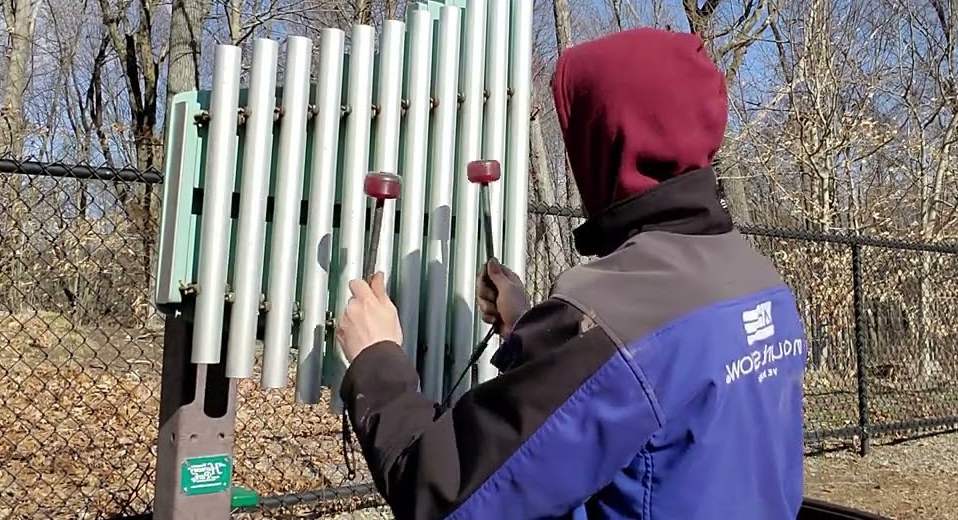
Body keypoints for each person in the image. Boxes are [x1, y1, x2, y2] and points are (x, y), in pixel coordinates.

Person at [335, 27, 807, 519]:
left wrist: (377, 362)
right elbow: (650, 418)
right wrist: (533, 330)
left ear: (606, 143)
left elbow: (441, 490)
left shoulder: (610, 321)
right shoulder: (761, 281)